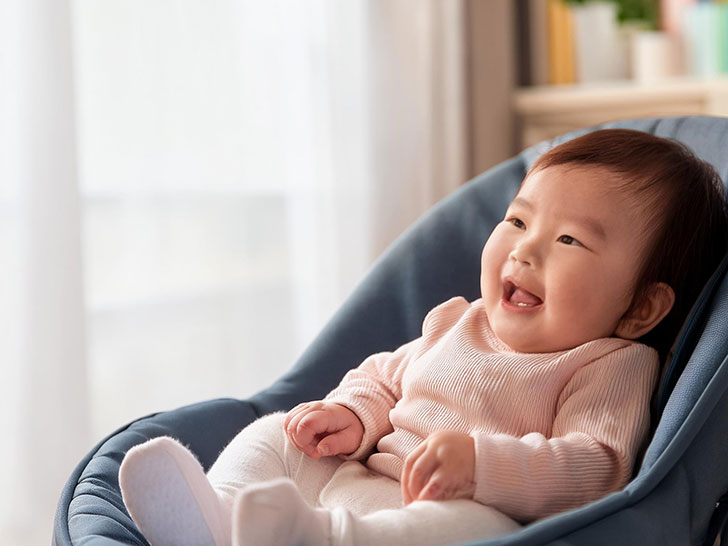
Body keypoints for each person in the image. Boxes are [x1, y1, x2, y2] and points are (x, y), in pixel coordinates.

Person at [118, 129, 728, 546]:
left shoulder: (608, 363)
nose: (526, 249)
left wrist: (481, 465)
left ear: (642, 307)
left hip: (440, 514)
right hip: (354, 480)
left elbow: (597, 469)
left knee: (473, 527)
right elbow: (384, 375)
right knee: (277, 432)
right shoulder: (459, 320)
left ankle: (306, 537)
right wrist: (352, 415)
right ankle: (214, 519)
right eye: (517, 220)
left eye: (569, 241)